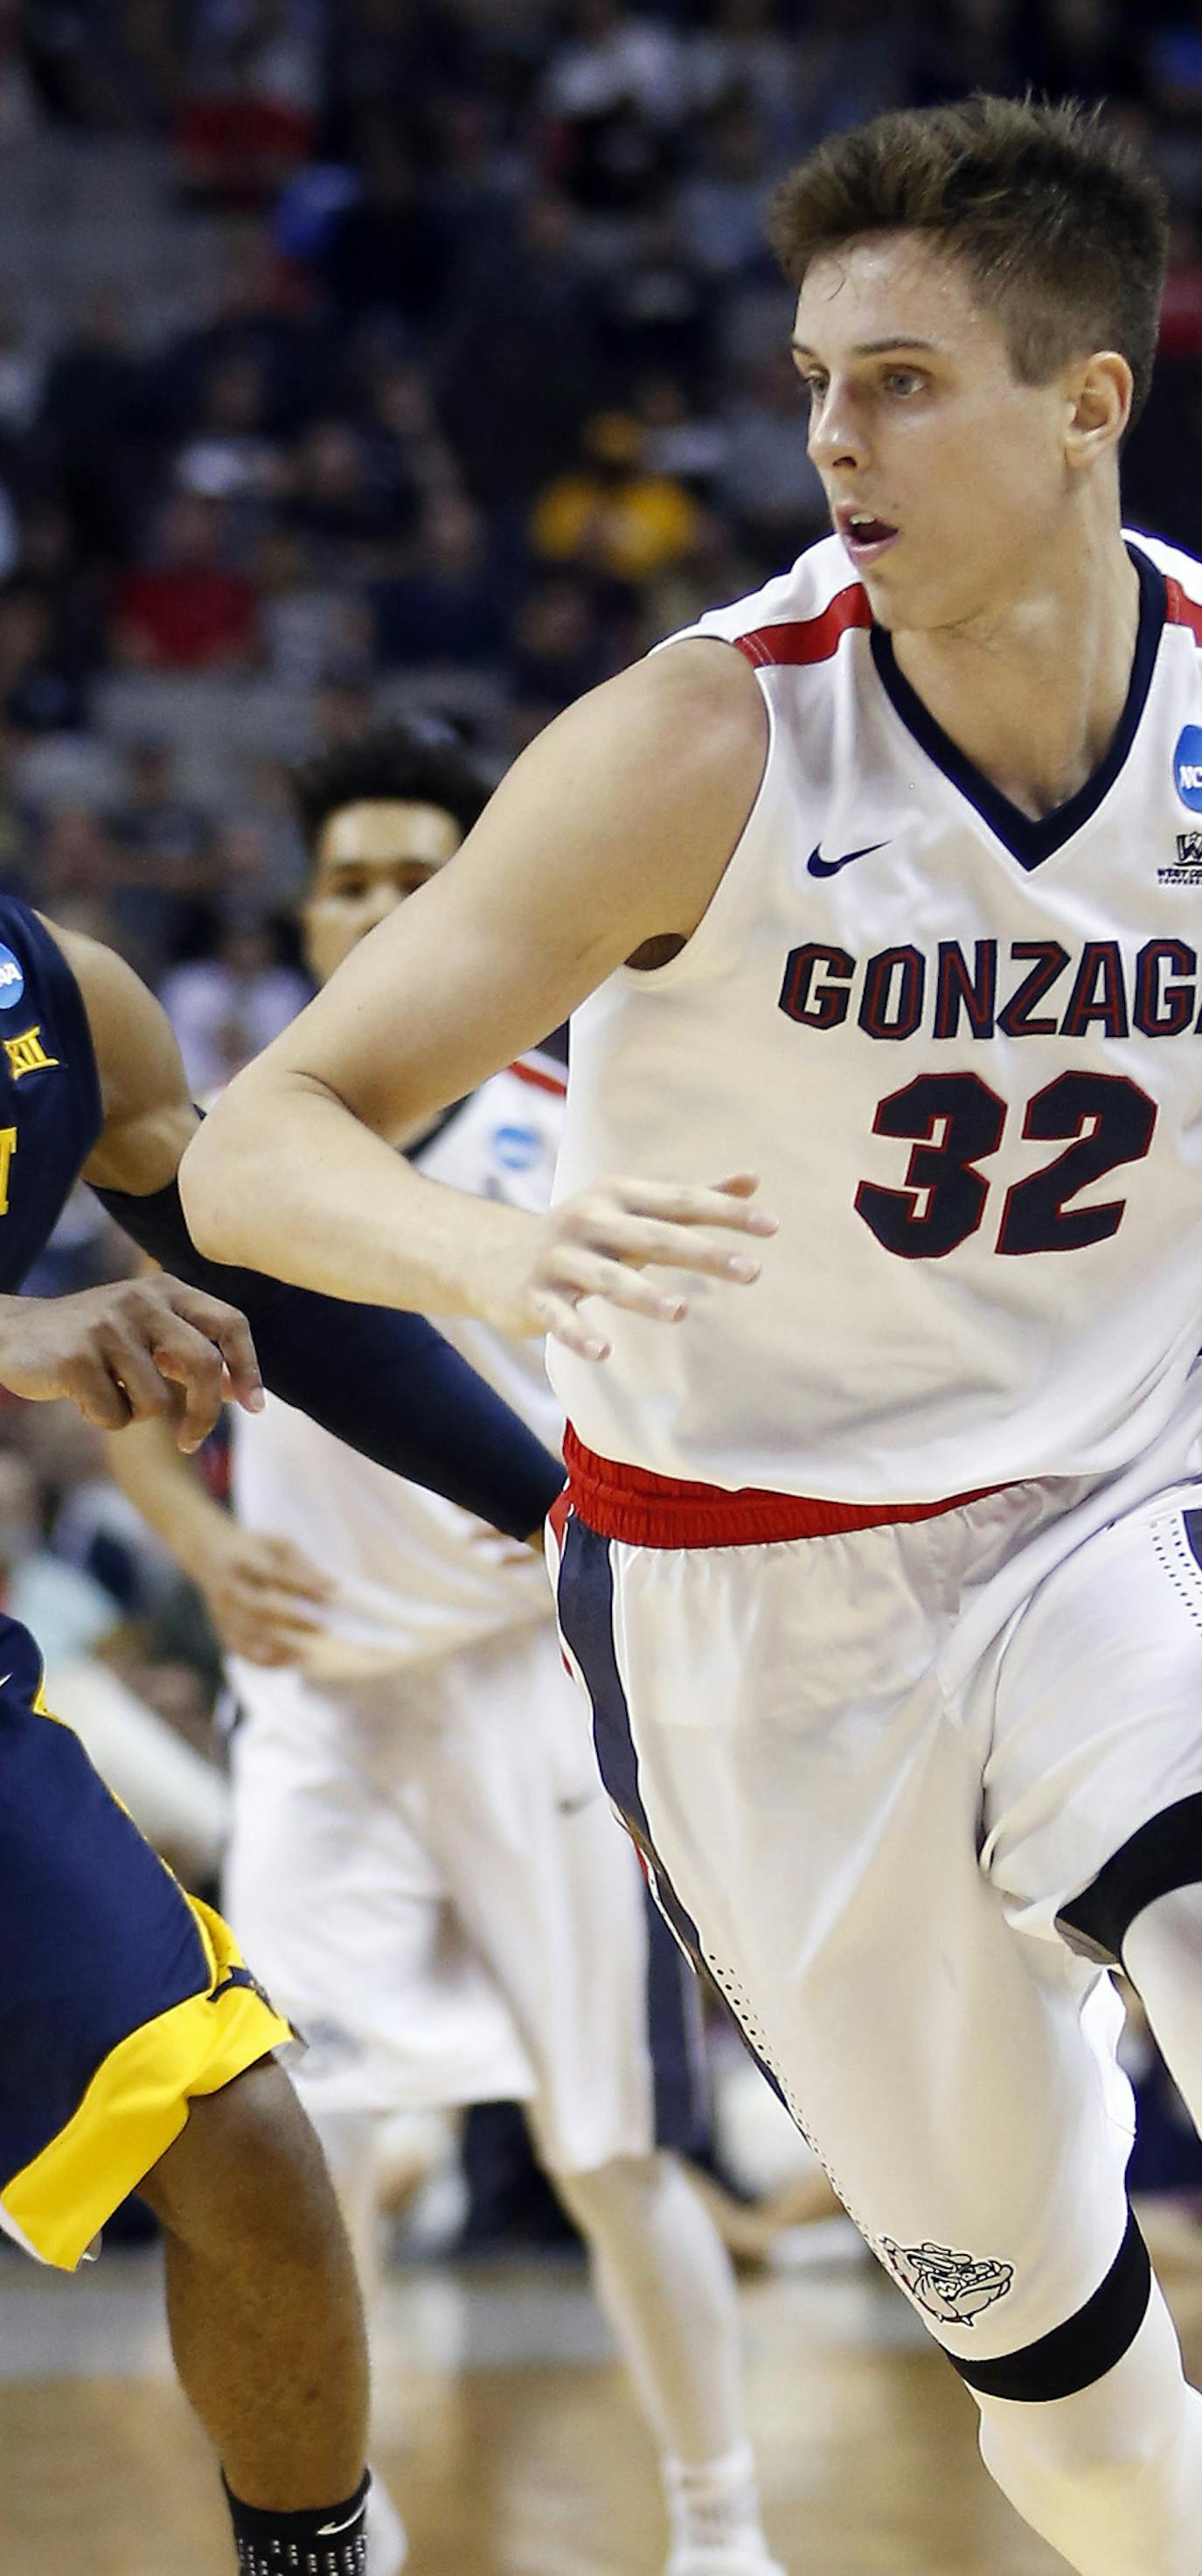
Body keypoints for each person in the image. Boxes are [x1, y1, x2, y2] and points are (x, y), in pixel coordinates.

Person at [185, 98, 1202, 2576]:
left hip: (1118, 1520)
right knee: (1061, 2402)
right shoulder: (701, 739)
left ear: (1091, 403)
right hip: (741, 1593)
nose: (834, 435)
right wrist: (491, 1262)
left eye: (906, 379)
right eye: (815, 378)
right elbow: (257, 1142)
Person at [115, 721, 783, 2576]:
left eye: (424, 875)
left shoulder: (573, 1122)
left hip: (527, 1690)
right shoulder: (235, 1137)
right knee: (273, 2132)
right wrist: (204, 1538)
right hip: (317, 1706)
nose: (386, 906)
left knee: (610, 2147)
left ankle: (722, 2526)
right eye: (353, 879)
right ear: (308, 908)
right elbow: (129, 1349)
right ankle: (340, 2518)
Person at [0, 883, 570, 2576]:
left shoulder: (62, 996)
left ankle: (312, 2557)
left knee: (245, 2135)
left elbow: (256, 1265)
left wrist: (556, 1513)